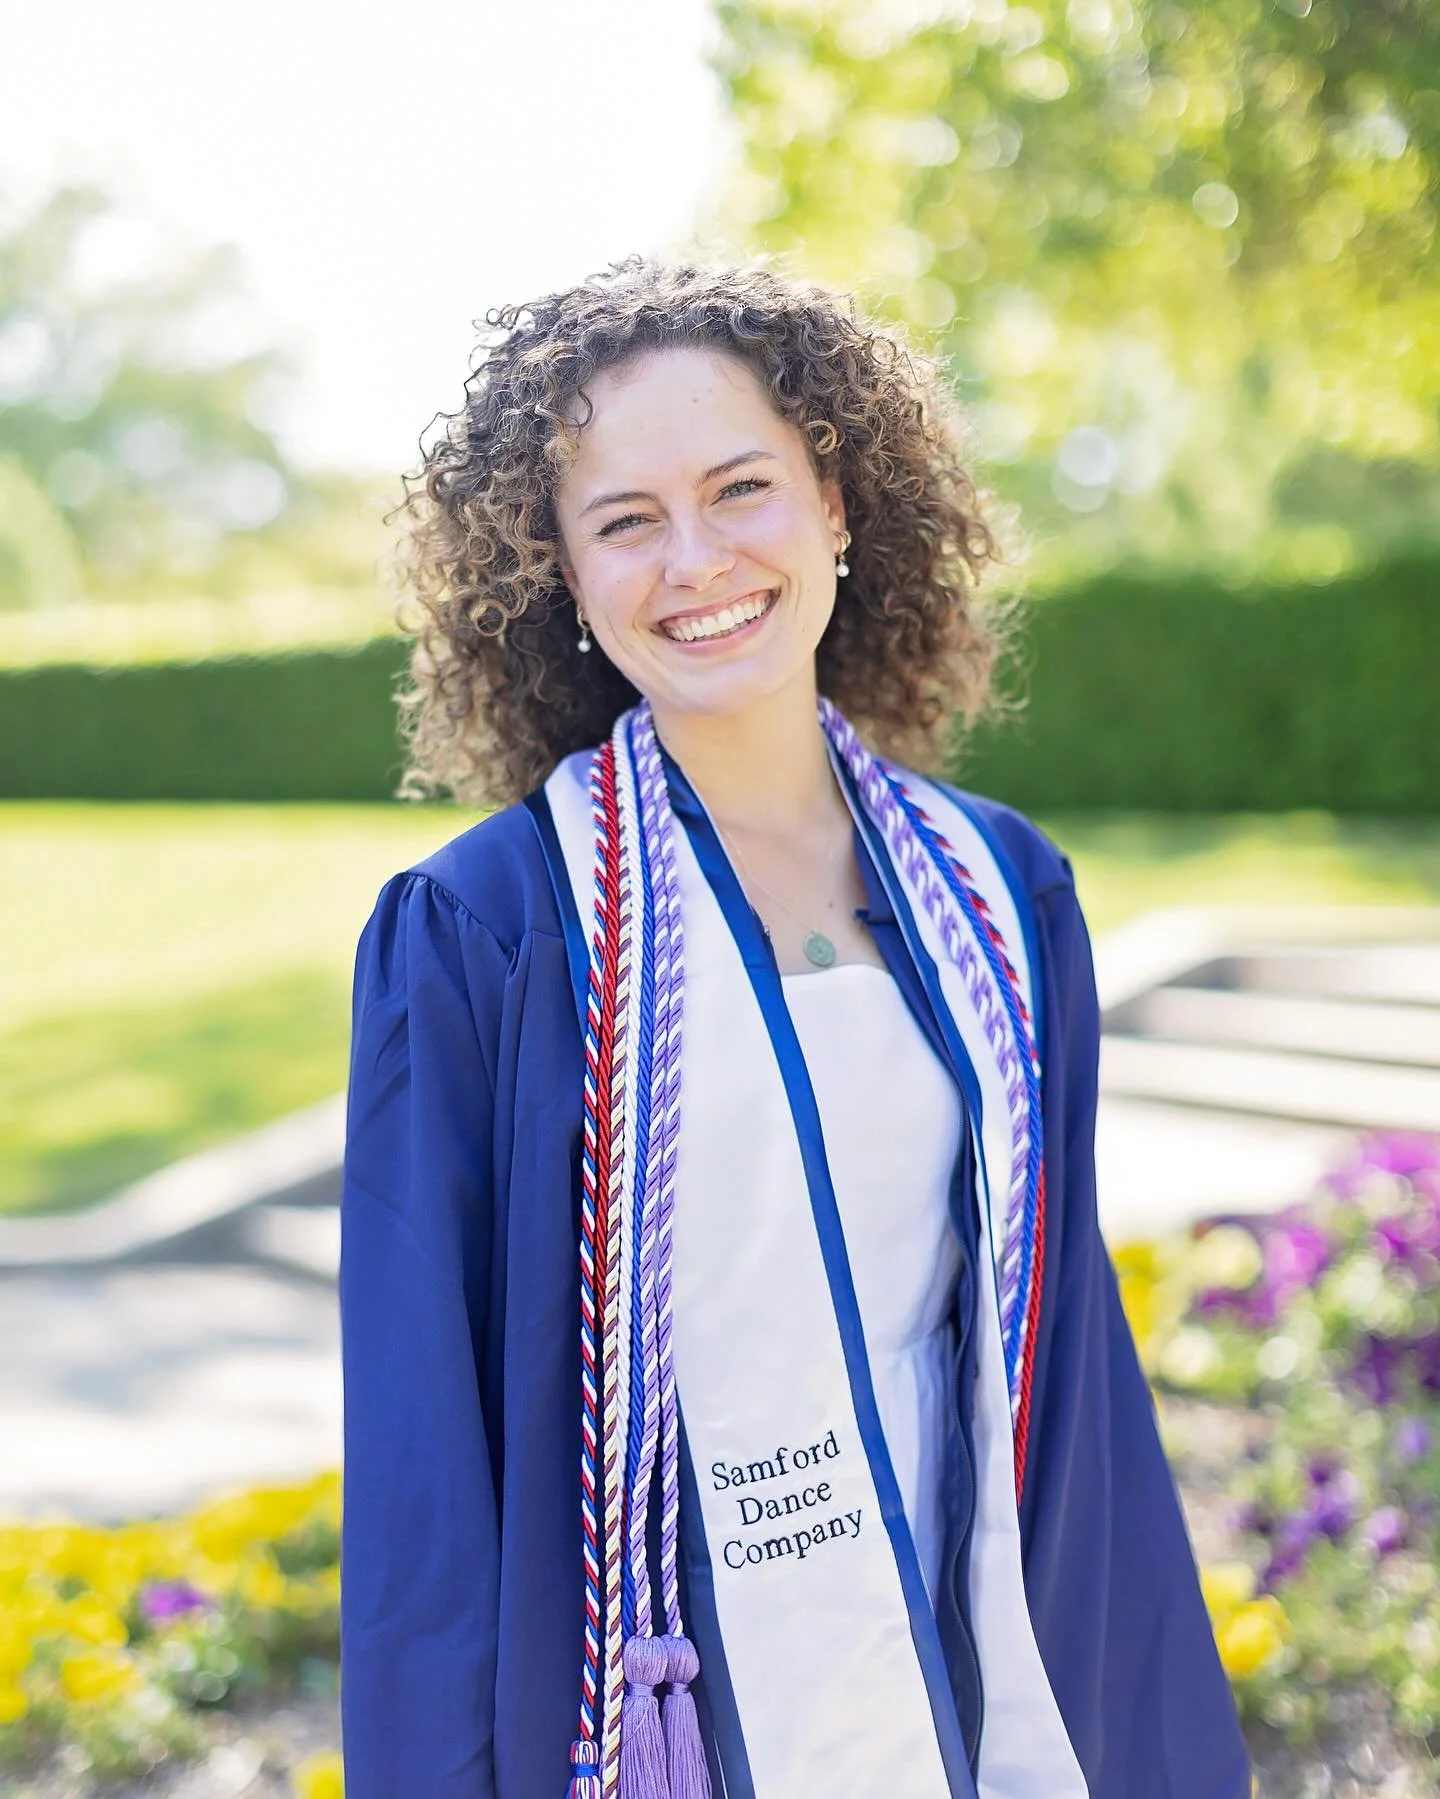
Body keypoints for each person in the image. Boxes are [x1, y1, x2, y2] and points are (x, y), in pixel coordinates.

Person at [338, 258, 1251, 1799]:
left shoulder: (1000, 892)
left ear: (836, 501)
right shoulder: (489, 937)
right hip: (675, 1684)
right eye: (624, 520)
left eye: (741, 488)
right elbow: (430, 1471)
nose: (695, 560)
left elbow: (1073, 1367)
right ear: (560, 574)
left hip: (976, 1614)